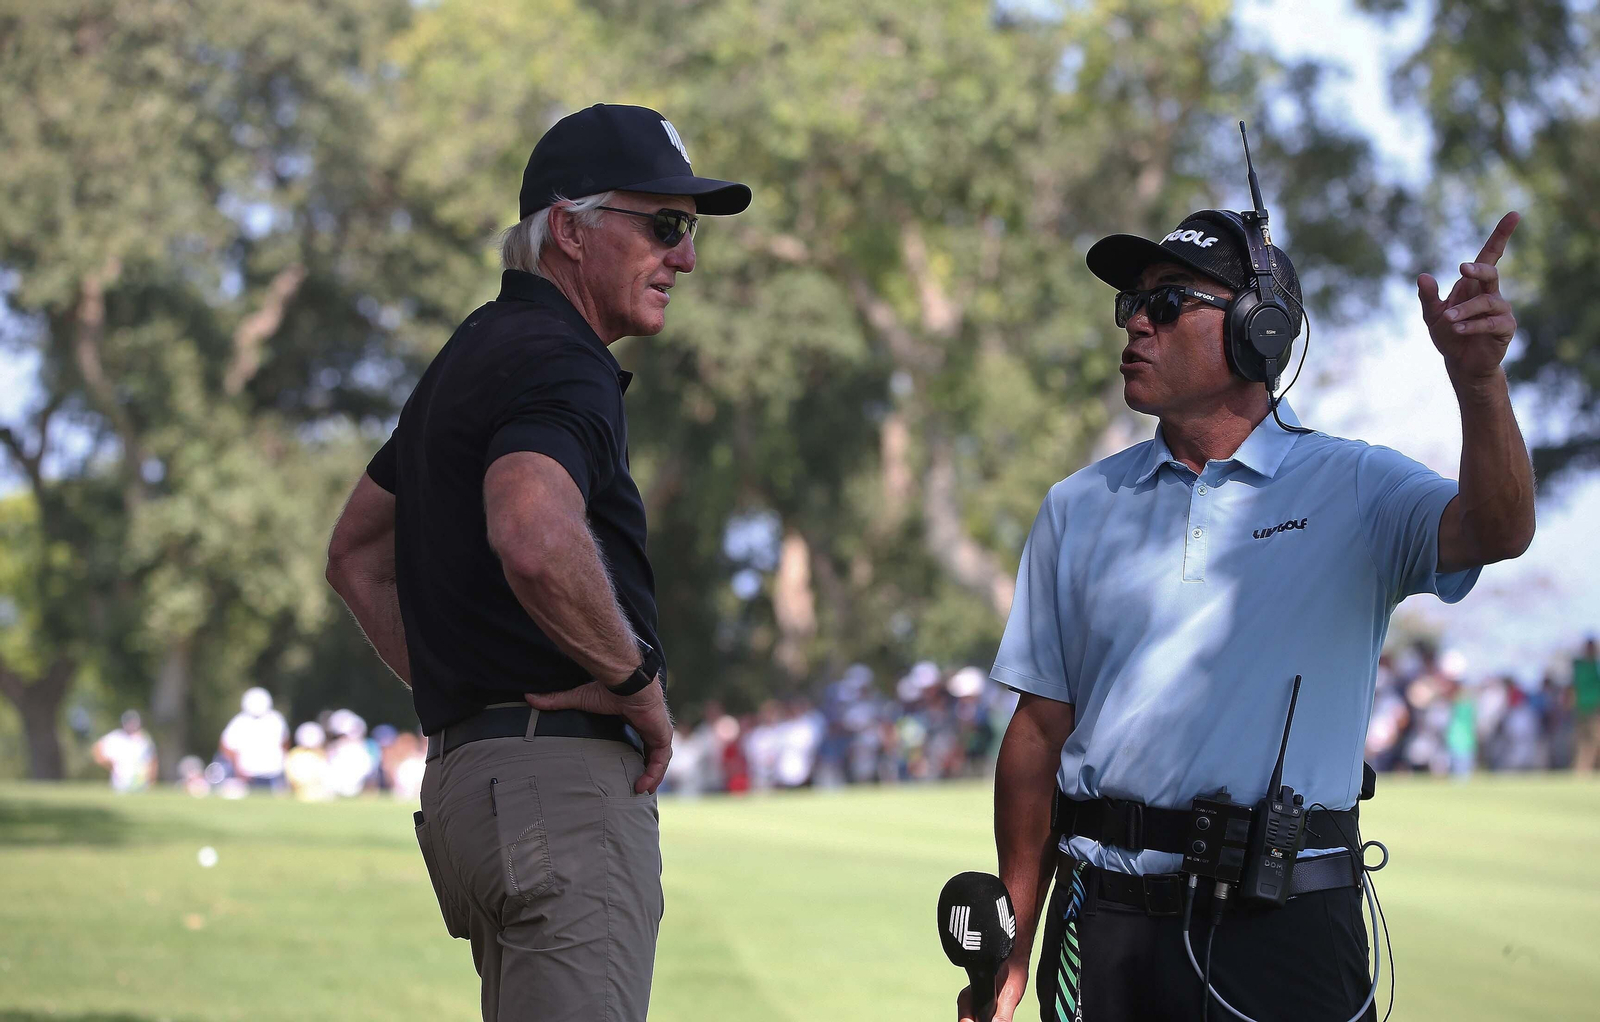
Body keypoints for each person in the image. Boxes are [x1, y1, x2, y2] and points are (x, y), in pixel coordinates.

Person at [962, 204, 1535, 1022]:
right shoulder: (1075, 506)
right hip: (1102, 925)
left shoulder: (1358, 487)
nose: (1135, 327)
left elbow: (1500, 529)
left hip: (1286, 924)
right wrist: (1015, 942)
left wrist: (1477, 381)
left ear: (1258, 330)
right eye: (1130, 306)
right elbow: (1037, 735)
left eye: (1165, 305)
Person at [324, 103, 749, 1022]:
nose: (685, 256)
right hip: (560, 796)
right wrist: (634, 679)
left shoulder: (473, 350)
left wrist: (469, 686)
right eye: (666, 225)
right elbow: (531, 527)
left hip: (472, 793)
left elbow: (355, 552)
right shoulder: (564, 359)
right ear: (568, 228)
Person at [218, 687, 289, 792]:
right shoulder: (239, 722)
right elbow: (226, 746)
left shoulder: (276, 720)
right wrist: (238, 768)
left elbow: (284, 743)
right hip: (247, 775)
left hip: (272, 773)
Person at [92, 710, 156, 793]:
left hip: (140, 784)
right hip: (120, 785)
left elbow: (152, 760)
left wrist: (152, 780)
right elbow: (97, 748)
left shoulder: (144, 739)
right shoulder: (115, 737)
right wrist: (110, 765)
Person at [1572, 637, 1600, 772]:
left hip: (1594, 709)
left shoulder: (1595, 665)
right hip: (1584, 710)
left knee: (1594, 739)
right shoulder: (1580, 666)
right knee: (1584, 740)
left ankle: (1588, 768)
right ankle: (1582, 768)